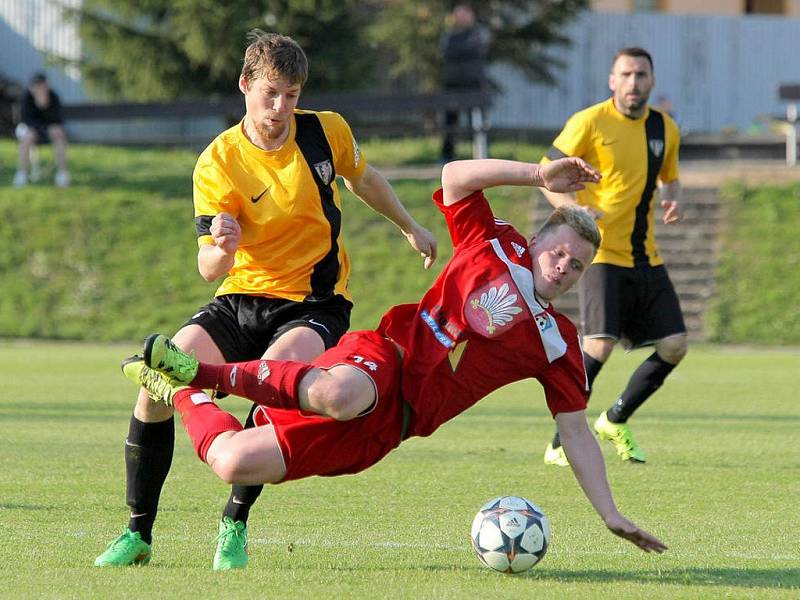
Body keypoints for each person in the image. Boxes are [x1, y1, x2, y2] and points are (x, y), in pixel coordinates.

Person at [122, 156, 668, 558]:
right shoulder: (494, 242)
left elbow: (574, 432)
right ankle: (204, 372)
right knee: (339, 392)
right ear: (537, 239)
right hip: (387, 356)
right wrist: (537, 174)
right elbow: (454, 177)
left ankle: (182, 390)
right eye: (559, 251)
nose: (563, 266)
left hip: (395, 425)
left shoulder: (558, 343)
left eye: (577, 266)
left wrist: (610, 514)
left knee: (233, 462)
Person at [94, 30, 437, 571]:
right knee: (159, 381)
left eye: (292, 95)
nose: (281, 108)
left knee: (276, 376)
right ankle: (137, 533)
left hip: (314, 301)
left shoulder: (326, 132)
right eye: (270, 93)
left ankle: (233, 523)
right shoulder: (219, 161)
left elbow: (363, 178)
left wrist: (410, 226)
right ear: (245, 86)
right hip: (241, 295)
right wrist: (223, 249)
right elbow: (208, 266)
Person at [540, 47, 687, 468]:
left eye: (641, 73)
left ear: (652, 80)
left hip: (645, 256)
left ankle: (615, 418)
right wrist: (573, 210)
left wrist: (674, 200)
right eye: (626, 74)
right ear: (612, 80)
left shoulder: (665, 128)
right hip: (600, 253)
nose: (634, 81)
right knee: (599, 345)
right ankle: (559, 443)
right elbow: (544, 172)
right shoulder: (589, 121)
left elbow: (671, 179)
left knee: (676, 345)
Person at [440, 4, 489, 163]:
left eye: (464, 15)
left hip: (473, 86)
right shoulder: (449, 36)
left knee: (477, 122)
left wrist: (460, 51)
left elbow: (475, 49)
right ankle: (447, 155)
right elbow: (447, 51)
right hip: (453, 86)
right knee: (450, 123)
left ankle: (481, 155)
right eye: (458, 16)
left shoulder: (478, 34)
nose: (461, 19)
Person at [13, 72, 70, 187]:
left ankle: (62, 173)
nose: (40, 89)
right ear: (32, 87)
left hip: (47, 130)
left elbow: (57, 119)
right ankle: (22, 173)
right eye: (37, 86)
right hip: (31, 129)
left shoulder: (53, 97)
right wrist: (43, 128)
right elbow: (27, 120)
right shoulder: (26, 98)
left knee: (59, 134)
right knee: (27, 137)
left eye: (42, 86)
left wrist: (44, 105)